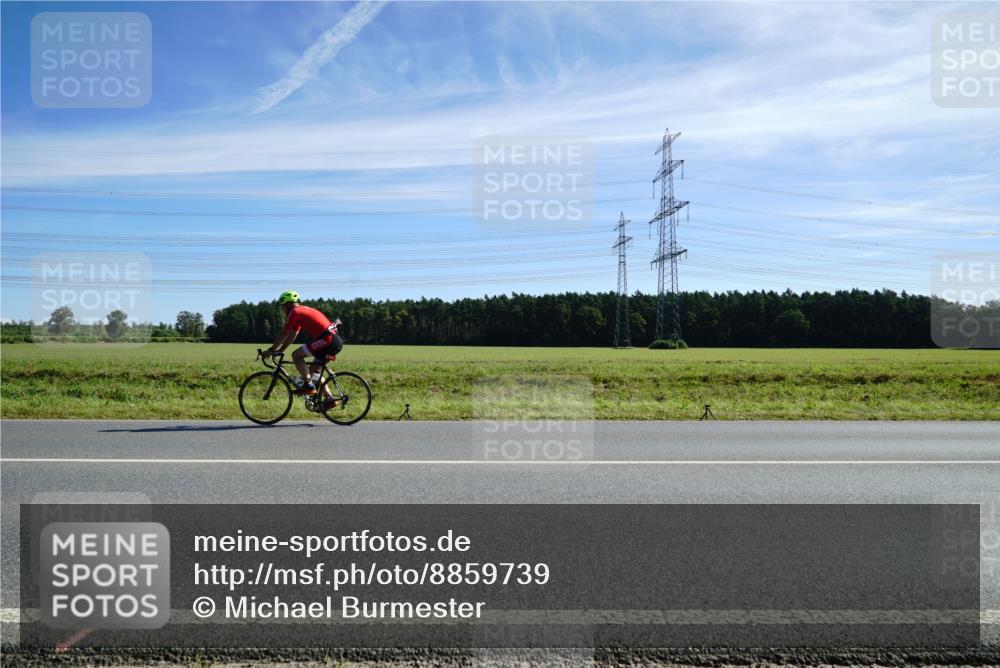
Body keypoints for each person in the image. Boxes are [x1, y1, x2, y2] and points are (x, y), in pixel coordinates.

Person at [262, 291, 343, 400]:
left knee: (296, 355)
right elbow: (292, 334)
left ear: (287, 304)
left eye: (282, 307)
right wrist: (280, 350)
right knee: (313, 373)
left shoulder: (295, 312)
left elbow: (284, 333)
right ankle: (330, 400)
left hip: (327, 340)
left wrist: (271, 349)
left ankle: (309, 386)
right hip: (333, 341)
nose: (282, 310)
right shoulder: (302, 311)